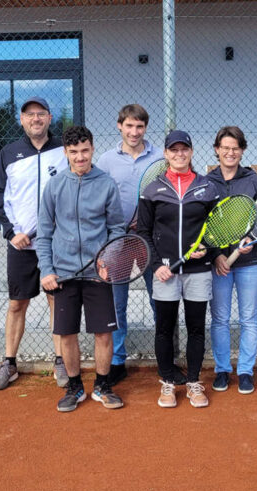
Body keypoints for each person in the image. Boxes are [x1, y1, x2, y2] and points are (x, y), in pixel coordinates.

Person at [36, 125, 126, 413]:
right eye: (73, 152)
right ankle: (75, 388)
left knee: (103, 334)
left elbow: (117, 228)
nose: (79, 157)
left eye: (84, 151)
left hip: (98, 273)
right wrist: (47, 270)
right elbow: (45, 233)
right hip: (63, 274)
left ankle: (102, 386)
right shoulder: (54, 185)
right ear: (65, 152)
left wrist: (107, 260)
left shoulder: (106, 183)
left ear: (92, 149)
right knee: (67, 334)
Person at [97, 104, 186, 386]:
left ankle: (166, 361)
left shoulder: (161, 158)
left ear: (146, 128)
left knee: (160, 299)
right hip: (118, 241)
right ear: (119, 126)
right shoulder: (106, 160)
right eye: (129, 126)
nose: (134, 132)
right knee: (117, 303)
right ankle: (117, 361)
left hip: (151, 241)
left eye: (140, 127)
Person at [0, 96, 69, 390]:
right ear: (21, 120)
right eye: (29, 115)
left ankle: (60, 361)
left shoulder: (64, 150)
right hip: (21, 245)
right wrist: (12, 233)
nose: (35, 119)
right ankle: (9, 364)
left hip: (56, 244)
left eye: (41, 114)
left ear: (49, 118)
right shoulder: (8, 154)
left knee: (57, 301)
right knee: (16, 304)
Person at [137, 130, 219, 408]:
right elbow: (144, 232)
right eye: (174, 149)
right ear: (166, 153)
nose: (179, 154)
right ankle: (168, 383)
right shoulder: (152, 189)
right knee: (165, 328)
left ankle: (194, 382)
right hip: (165, 271)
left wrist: (207, 247)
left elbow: (216, 228)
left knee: (196, 328)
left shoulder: (207, 187)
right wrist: (155, 264)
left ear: (192, 152)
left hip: (198, 271)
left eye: (184, 149)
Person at [206, 126, 257, 395]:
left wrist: (250, 239)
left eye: (235, 148)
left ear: (242, 150)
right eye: (225, 147)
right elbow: (201, 223)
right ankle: (221, 370)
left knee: (249, 318)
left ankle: (245, 371)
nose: (230, 152)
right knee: (219, 318)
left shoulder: (253, 180)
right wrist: (217, 254)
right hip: (219, 263)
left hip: (249, 261)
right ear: (217, 149)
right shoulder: (206, 181)